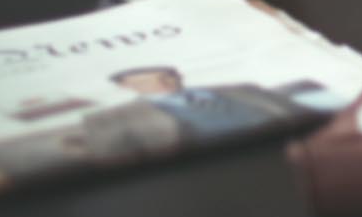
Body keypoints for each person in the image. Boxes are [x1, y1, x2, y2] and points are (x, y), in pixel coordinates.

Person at [81, 66, 311, 158]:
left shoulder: (242, 88)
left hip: (287, 147)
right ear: (126, 86)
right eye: (147, 81)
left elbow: (297, 110)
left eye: (167, 76)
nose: (164, 82)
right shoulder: (107, 119)